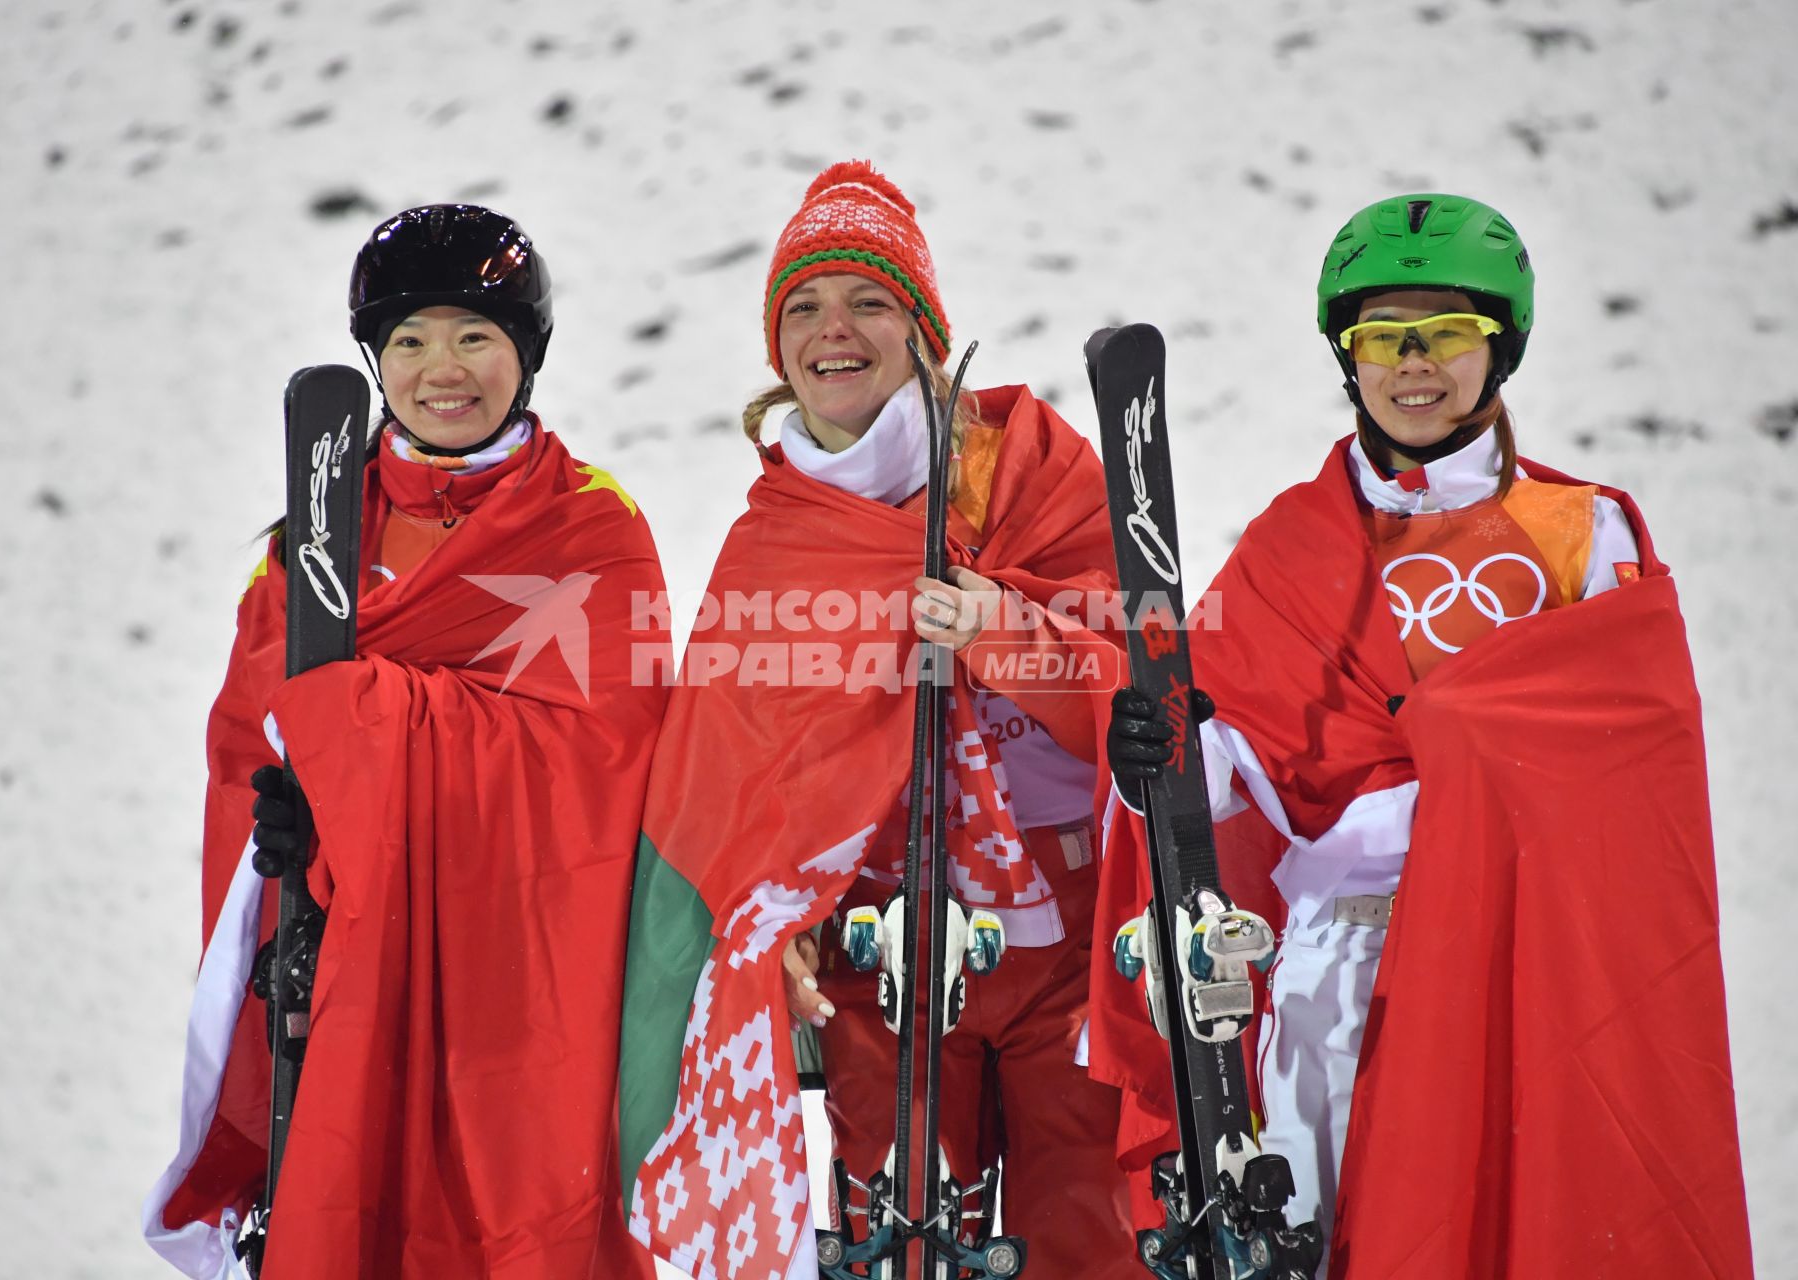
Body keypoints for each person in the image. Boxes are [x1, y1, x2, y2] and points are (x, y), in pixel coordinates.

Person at [1091, 193, 1753, 1276]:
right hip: (1337, 973)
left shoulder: (1585, 530)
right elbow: (1227, 769)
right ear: (1346, 358)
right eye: (1382, 337)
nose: (1414, 364)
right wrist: (1149, 760)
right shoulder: (1287, 544)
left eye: (1449, 334)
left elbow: (1628, 769)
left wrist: (1461, 743)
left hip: (1526, 963)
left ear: (1501, 350)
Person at [616, 160, 1148, 1279]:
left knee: (1089, 1236)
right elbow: (735, 781)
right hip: (881, 948)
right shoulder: (776, 538)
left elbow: (1147, 705)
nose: (833, 330)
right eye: (802, 307)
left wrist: (1004, 629)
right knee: (899, 1248)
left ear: (921, 326)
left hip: (1066, 934)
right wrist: (777, 925)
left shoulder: (1033, 468)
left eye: (867, 299)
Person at [143, 204, 668, 1278]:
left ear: (528, 355)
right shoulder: (311, 543)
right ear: (373, 359)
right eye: (410, 340)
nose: (445, 368)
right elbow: (250, 736)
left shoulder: (593, 528)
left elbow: (610, 756)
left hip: (528, 974)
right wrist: (275, 823)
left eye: (476, 336)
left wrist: (367, 724)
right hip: (343, 953)